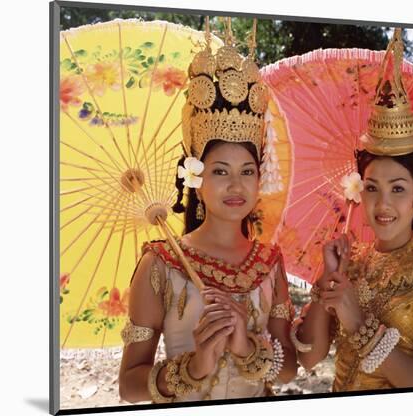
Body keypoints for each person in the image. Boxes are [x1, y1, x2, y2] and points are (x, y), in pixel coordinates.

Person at [118, 18, 296, 403]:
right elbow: (129, 385)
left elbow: (288, 368)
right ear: (195, 176)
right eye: (220, 171)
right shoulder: (160, 264)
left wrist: (246, 347)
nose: (236, 185)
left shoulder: (269, 263)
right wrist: (194, 367)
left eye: (247, 171)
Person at [291, 29, 413, 391]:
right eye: (372, 188)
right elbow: (309, 359)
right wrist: (327, 280)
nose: (383, 203)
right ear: (359, 191)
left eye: (398, 189)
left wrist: (358, 323)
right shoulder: (351, 263)